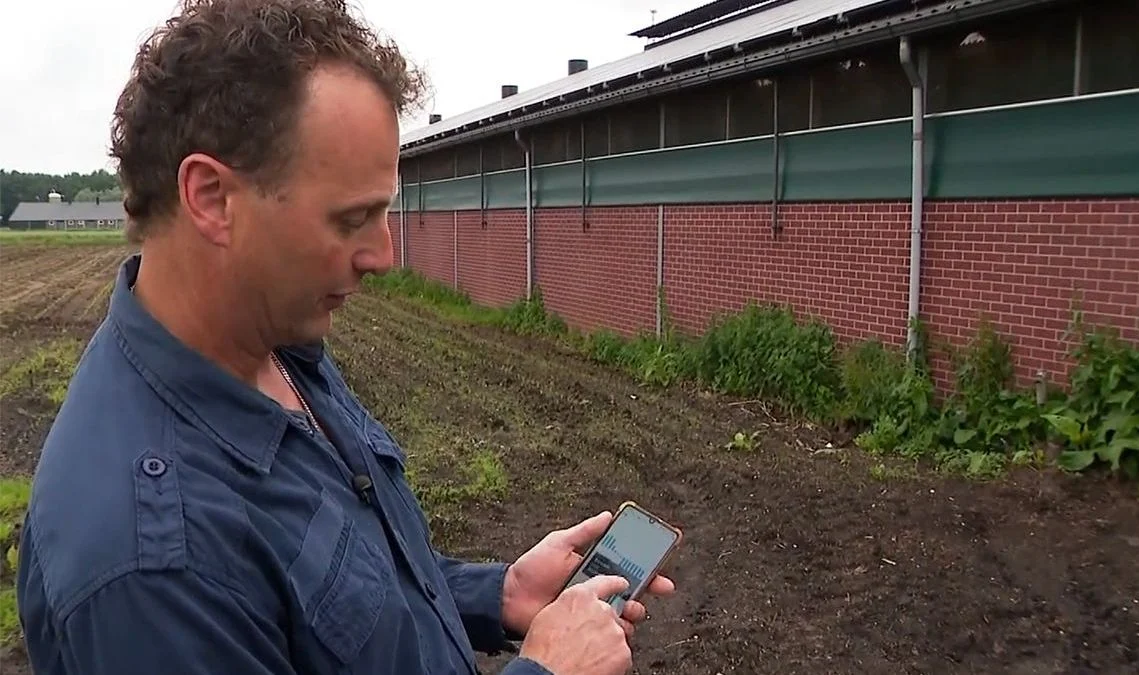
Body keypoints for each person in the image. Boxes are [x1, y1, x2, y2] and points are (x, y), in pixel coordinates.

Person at [14, 1, 674, 673]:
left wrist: (495, 594)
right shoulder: (153, 565)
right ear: (211, 197)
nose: (383, 254)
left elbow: (349, 606)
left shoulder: (274, 348)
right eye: (352, 218)